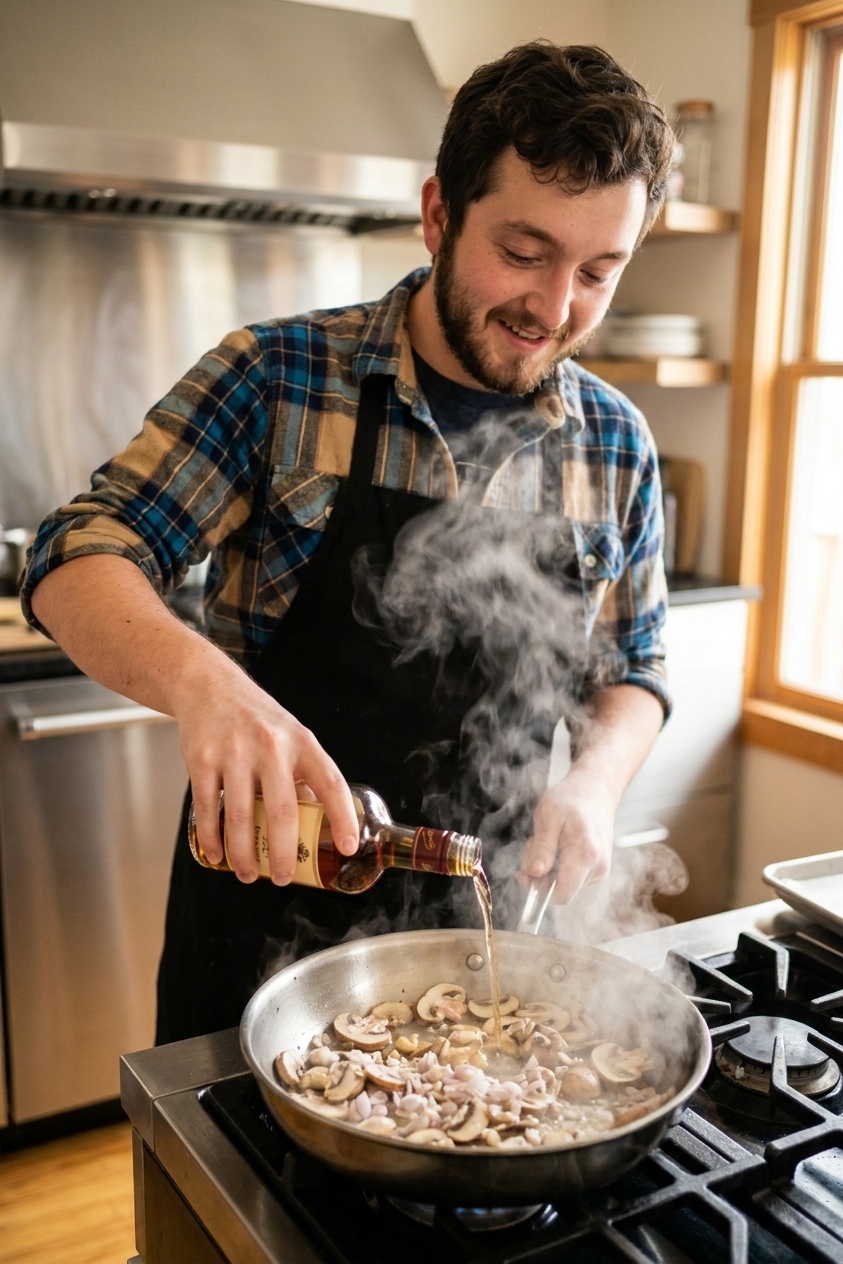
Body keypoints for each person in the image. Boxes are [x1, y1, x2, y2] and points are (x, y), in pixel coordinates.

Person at [22, 41, 675, 1043]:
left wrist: (593, 783)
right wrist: (209, 689)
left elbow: (633, 665)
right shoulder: (276, 378)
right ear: (438, 215)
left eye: (597, 270)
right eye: (524, 250)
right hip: (261, 913)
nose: (553, 308)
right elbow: (75, 555)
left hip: (482, 936)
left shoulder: (616, 442)